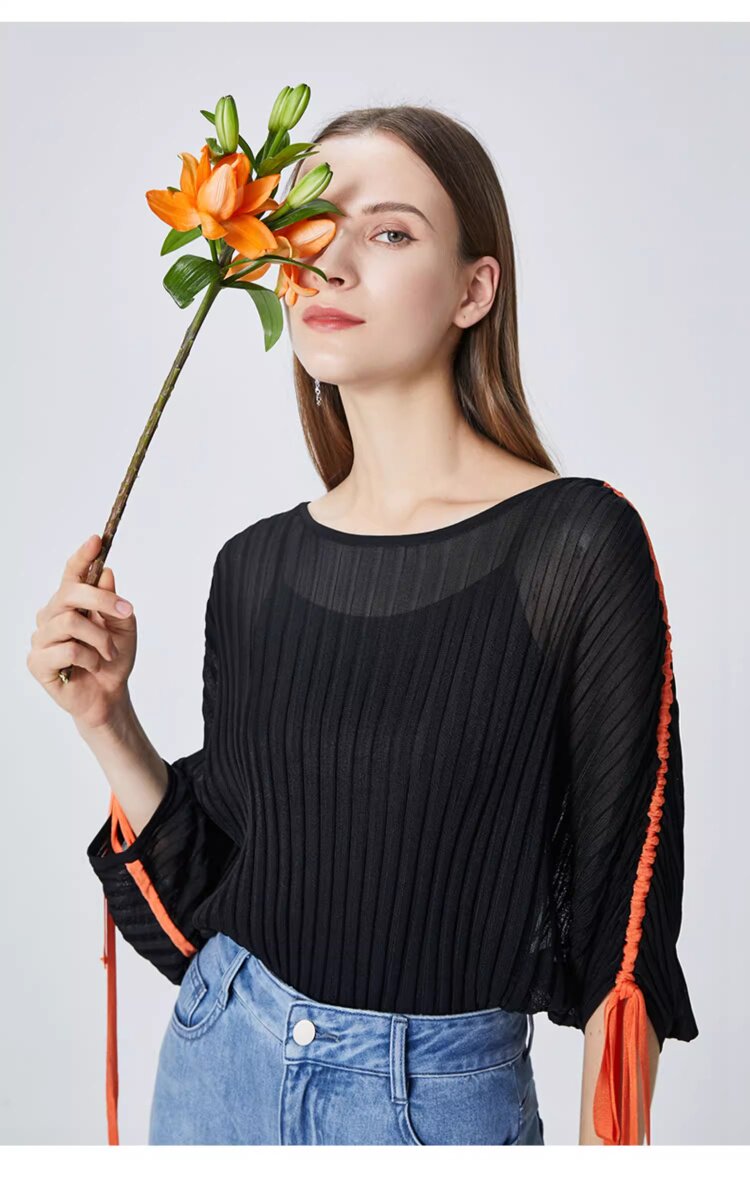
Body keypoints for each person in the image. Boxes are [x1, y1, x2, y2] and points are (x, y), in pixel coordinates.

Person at [27, 104, 698, 1147]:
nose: (330, 264)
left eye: (389, 231)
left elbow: (626, 924)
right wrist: (107, 721)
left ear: (475, 289)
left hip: (433, 1108)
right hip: (217, 1072)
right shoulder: (254, 567)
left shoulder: (575, 543)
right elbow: (209, 915)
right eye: (308, 228)